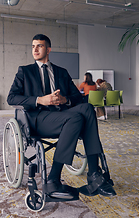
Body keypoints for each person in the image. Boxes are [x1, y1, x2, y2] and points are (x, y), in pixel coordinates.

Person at [7, 34, 116, 199]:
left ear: (48, 49)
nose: (35, 49)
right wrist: (39, 100)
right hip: (39, 119)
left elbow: (77, 98)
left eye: (40, 46)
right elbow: (11, 98)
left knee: (87, 108)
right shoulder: (25, 71)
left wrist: (65, 99)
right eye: (33, 46)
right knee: (75, 119)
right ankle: (53, 180)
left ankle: (94, 173)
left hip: (61, 114)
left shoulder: (61, 72)